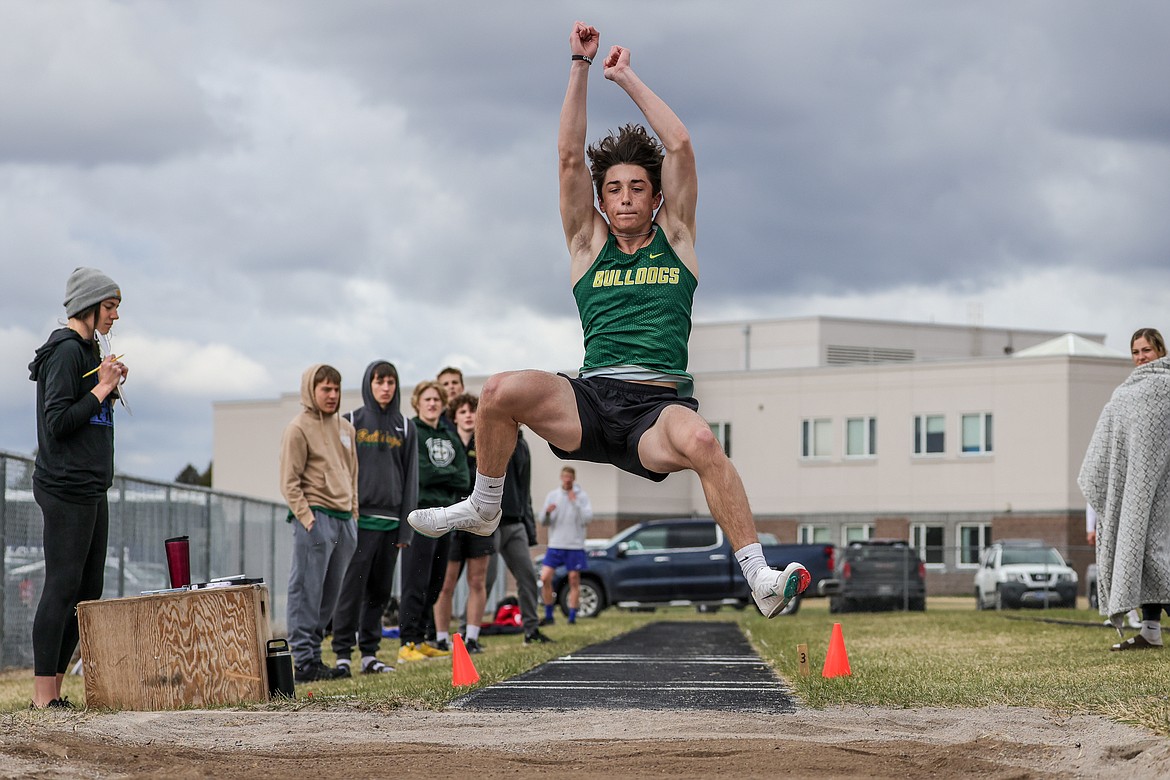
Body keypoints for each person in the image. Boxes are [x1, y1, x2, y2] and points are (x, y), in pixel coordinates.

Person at [410, 21, 809, 617]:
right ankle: (485, 502)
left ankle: (760, 578)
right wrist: (579, 65)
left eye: (637, 188)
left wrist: (624, 78)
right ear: (602, 200)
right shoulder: (585, 244)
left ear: (656, 199)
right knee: (496, 392)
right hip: (592, 401)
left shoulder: (676, 238)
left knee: (703, 441)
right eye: (614, 189)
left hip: (656, 408)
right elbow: (571, 155)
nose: (624, 197)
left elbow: (681, 147)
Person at [28, 267, 128, 709]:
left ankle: (56, 690)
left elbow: (88, 413)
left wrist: (106, 380)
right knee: (61, 586)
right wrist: (103, 388)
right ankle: (42, 695)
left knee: (89, 589)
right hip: (64, 486)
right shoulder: (66, 352)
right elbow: (58, 422)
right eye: (110, 307)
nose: (115, 316)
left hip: (91, 486)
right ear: (88, 306)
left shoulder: (90, 350)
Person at [1079, 327, 1170, 651]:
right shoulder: (1124, 393)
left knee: (1158, 559)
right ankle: (1150, 632)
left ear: (1160, 350)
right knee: (1141, 557)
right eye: (1135, 352)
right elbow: (1112, 441)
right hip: (1133, 494)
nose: (1140, 357)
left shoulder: (1167, 387)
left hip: (1165, 492)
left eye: (1146, 350)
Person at [330, 360, 417, 676]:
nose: (385, 387)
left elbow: (411, 480)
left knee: (379, 592)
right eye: (380, 381)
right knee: (350, 590)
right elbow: (338, 473)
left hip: (392, 524)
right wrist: (344, 518)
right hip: (357, 522)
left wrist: (406, 529)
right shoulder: (350, 421)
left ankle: (369, 655)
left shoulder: (406, 427)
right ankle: (342, 654)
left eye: (391, 382)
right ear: (369, 383)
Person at [280, 364, 359, 682]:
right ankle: (303, 660)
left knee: (330, 594)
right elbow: (289, 480)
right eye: (325, 389)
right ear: (310, 391)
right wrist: (308, 518)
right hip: (315, 517)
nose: (332, 395)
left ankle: (315, 656)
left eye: (336, 389)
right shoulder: (297, 428)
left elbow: (353, 473)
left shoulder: (346, 428)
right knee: (306, 591)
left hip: (344, 520)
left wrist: (354, 513)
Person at [397, 381, 467, 663]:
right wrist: (445, 474)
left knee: (436, 580)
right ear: (417, 402)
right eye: (427, 399)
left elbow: (463, 476)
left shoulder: (449, 435)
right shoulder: (412, 431)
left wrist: (444, 473)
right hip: (419, 515)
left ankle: (423, 638)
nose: (432, 404)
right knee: (415, 579)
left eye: (436, 399)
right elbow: (421, 474)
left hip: (445, 516)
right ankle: (407, 642)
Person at [433, 393, 492, 653]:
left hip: (478, 518)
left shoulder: (487, 442)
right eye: (463, 411)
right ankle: (441, 637)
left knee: (477, 581)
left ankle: (472, 636)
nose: (468, 415)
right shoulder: (446, 445)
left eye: (473, 411)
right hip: (453, 518)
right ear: (454, 416)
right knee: (446, 583)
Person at [497, 428, 551, 644]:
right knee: (483, 581)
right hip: (491, 523)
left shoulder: (522, 445)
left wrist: (529, 528)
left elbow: (524, 489)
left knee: (528, 576)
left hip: (515, 522)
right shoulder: (490, 436)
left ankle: (531, 631)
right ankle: (467, 635)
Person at [539, 467, 593, 625]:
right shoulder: (553, 496)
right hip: (556, 543)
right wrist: (548, 512)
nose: (567, 479)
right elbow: (543, 521)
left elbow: (587, 519)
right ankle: (549, 615)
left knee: (574, 580)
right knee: (545, 577)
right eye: (565, 477)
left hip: (574, 545)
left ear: (574, 478)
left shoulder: (581, 497)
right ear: (561, 478)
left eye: (570, 477)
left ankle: (572, 616)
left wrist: (574, 502)